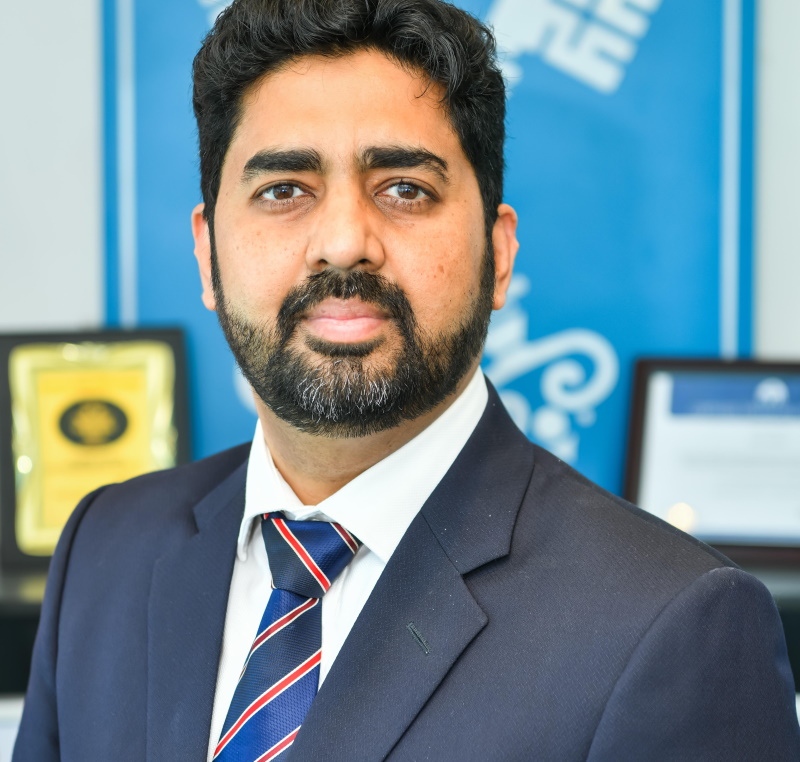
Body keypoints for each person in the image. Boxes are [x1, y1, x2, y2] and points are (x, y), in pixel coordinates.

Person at [13, 0, 800, 759]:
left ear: (499, 254)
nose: (344, 242)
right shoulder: (106, 549)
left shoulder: (673, 624)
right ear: (206, 252)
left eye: (404, 189)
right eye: (283, 190)